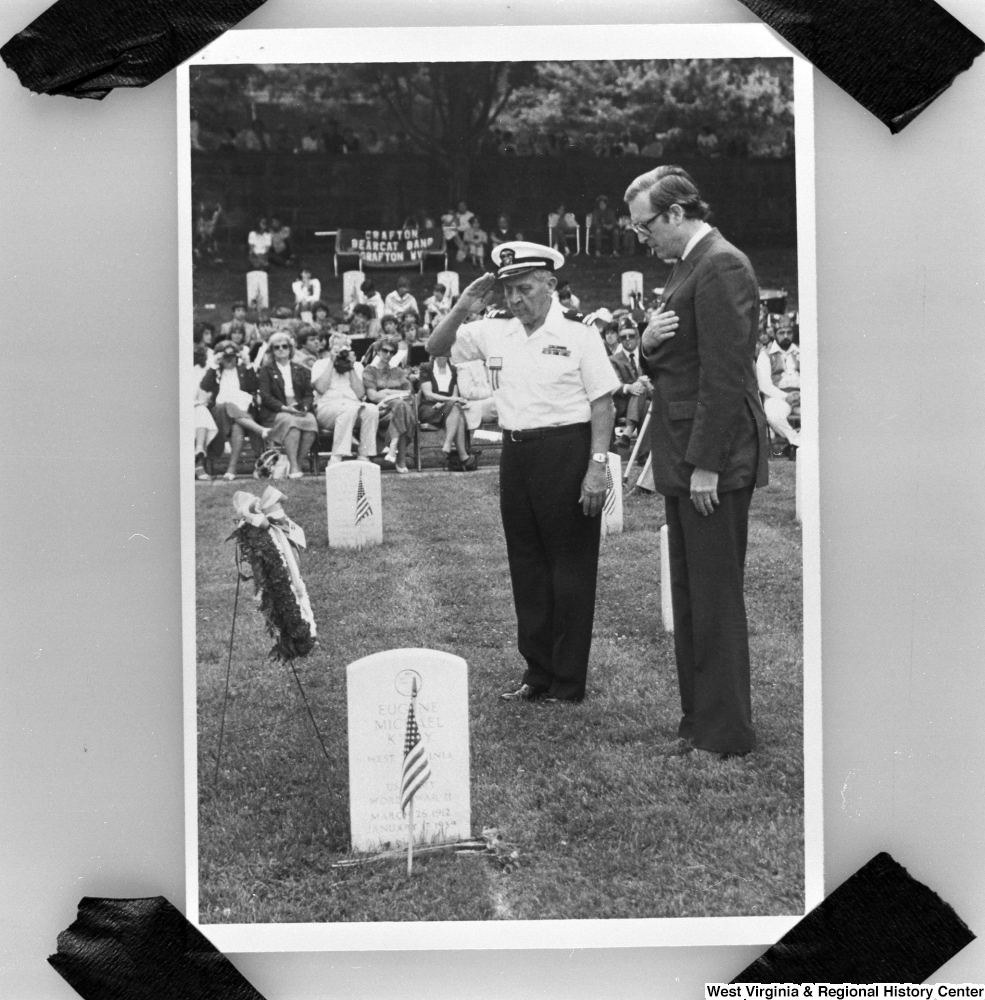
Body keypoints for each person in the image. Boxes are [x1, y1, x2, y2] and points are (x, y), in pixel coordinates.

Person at [427, 241, 621, 704]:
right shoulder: (495, 332)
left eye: (526, 288)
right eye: (508, 291)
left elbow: (603, 404)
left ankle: (569, 680)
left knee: (570, 569)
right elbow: (435, 346)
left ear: (551, 286)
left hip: (567, 452)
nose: (516, 300)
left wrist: (597, 467)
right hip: (517, 456)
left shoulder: (580, 335)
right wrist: (463, 306)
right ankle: (537, 672)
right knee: (527, 566)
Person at [625, 164, 769, 758]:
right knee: (689, 596)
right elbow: (674, 356)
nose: (643, 237)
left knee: (713, 598)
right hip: (683, 451)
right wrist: (644, 345)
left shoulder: (722, 264)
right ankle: (699, 722)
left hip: (712, 456)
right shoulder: (689, 265)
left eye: (645, 226)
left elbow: (726, 374)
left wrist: (706, 463)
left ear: (676, 213)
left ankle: (727, 732)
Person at [199, 340, 270, 480]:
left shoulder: (242, 370)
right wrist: (214, 364)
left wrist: (248, 363)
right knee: (227, 404)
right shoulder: (215, 372)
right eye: (226, 358)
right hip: (219, 414)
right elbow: (205, 386)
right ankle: (261, 430)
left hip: (241, 415)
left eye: (232, 358)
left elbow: (254, 386)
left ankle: (231, 469)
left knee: (237, 426)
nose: (229, 360)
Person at [256, 332, 318, 479]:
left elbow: (309, 394)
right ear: (272, 351)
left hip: (298, 408)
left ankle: (296, 462)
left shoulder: (301, 369)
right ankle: (294, 466)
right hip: (276, 410)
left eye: (284, 346)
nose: (281, 349)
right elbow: (266, 396)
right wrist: (285, 408)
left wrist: (303, 407)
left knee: (311, 422)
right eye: (276, 347)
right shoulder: (266, 370)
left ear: (290, 349)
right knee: (292, 424)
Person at [311, 340, 380, 466]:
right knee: (348, 409)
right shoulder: (320, 364)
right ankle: (336, 456)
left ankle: (364, 455)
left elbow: (360, 394)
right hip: (327, 408)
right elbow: (320, 388)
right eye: (337, 348)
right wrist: (332, 362)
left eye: (345, 348)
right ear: (331, 348)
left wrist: (351, 367)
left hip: (354, 405)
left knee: (371, 409)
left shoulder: (357, 366)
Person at [362, 340, 417, 473]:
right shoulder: (370, 370)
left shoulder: (398, 371)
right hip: (381, 411)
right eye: (385, 351)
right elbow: (373, 396)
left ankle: (393, 450)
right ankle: (400, 459)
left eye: (392, 352)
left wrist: (386, 392)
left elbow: (409, 392)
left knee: (401, 407)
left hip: (398, 411)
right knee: (402, 407)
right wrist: (396, 394)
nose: (388, 354)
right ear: (378, 351)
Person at [417, 354, 476, 471]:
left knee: (455, 408)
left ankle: (452, 448)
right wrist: (447, 401)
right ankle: (461, 454)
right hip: (430, 408)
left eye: (443, 354)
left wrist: (446, 403)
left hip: (446, 410)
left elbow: (454, 395)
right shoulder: (426, 367)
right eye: (437, 354)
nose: (440, 357)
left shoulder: (453, 370)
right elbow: (428, 395)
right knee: (455, 409)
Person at [756, 319, 801, 455]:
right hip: (778, 397)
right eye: (782, 333)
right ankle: (797, 440)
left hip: (802, 396)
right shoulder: (765, 354)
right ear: (775, 334)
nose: (786, 336)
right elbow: (764, 385)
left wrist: (801, 395)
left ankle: (799, 442)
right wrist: (786, 396)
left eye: (789, 332)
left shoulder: (801, 351)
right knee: (774, 416)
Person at [609, 323, 652, 443]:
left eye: (631, 336)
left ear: (637, 337)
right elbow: (614, 384)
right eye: (623, 337)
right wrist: (629, 388)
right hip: (624, 402)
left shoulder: (647, 357)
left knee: (643, 391)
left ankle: (628, 432)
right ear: (619, 339)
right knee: (646, 404)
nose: (627, 339)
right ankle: (643, 453)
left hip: (648, 393)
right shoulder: (613, 360)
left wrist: (644, 384)